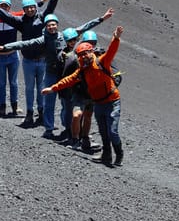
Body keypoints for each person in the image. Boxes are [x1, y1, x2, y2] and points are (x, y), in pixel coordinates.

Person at [0, 8, 113, 138]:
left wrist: (102, 18)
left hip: (64, 74)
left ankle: (68, 129)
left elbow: (85, 27)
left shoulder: (65, 35)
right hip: (50, 74)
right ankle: (49, 128)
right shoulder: (43, 40)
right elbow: (25, 43)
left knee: (67, 103)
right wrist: (5, 47)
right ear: (46, 26)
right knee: (48, 103)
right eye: (49, 25)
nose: (51, 27)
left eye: (53, 24)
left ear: (57, 25)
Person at [0, 0, 62, 127]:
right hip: (28, 61)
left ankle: (41, 113)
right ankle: (30, 113)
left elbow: (51, 8)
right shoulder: (20, 21)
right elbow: (5, 15)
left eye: (32, 7)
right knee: (30, 88)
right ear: (23, 9)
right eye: (27, 8)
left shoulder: (42, 18)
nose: (30, 10)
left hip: (42, 60)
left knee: (41, 88)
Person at [42, 26, 125, 167]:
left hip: (112, 101)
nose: (83, 57)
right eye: (80, 55)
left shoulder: (101, 61)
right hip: (98, 103)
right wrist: (52, 88)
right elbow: (68, 80)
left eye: (86, 53)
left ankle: (119, 153)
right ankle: (106, 156)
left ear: (91, 52)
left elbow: (112, 50)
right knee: (104, 132)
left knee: (112, 131)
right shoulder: (82, 71)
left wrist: (116, 38)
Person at [64, 30, 102, 152]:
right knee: (77, 115)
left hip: (92, 93)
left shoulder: (98, 56)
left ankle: (84, 138)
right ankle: (75, 139)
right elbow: (66, 75)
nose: (91, 44)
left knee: (88, 116)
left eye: (93, 43)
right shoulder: (74, 57)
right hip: (78, 92)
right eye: (89, 42)